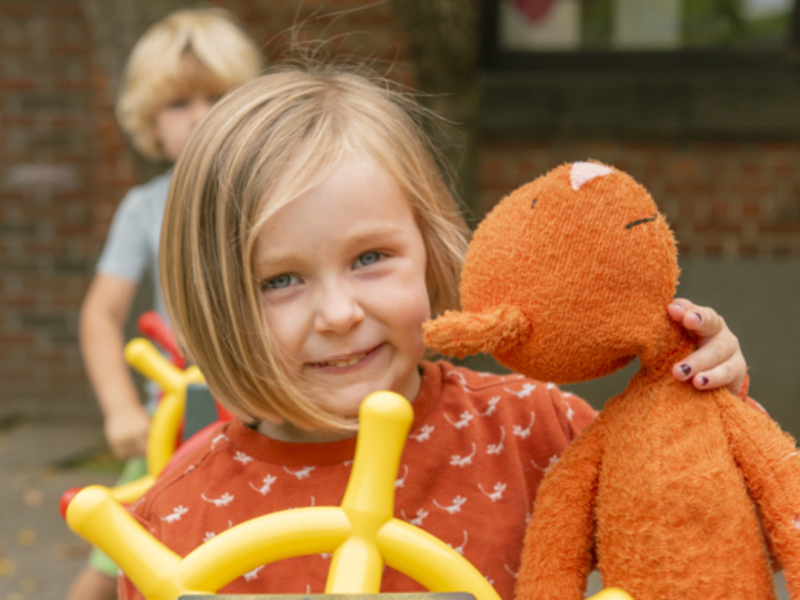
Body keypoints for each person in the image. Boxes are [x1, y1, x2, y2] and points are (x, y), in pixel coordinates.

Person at [119, 65, 749, 600]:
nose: (338, 313)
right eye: (280, 280)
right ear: (213, 303)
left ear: (432, 249)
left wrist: (700, 398)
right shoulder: (172, 519)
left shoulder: (535, 433)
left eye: (369, 258)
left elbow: (707, 528)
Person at [68, 9, 262, 600]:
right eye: (179, 103)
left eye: (218, 97)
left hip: (264, 416)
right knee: (113, 573)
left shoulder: (271, 196)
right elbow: (101, 315)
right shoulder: (144, 208)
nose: (201, 116)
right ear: (149, 121)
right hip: (171, 428)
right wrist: (122, 411)